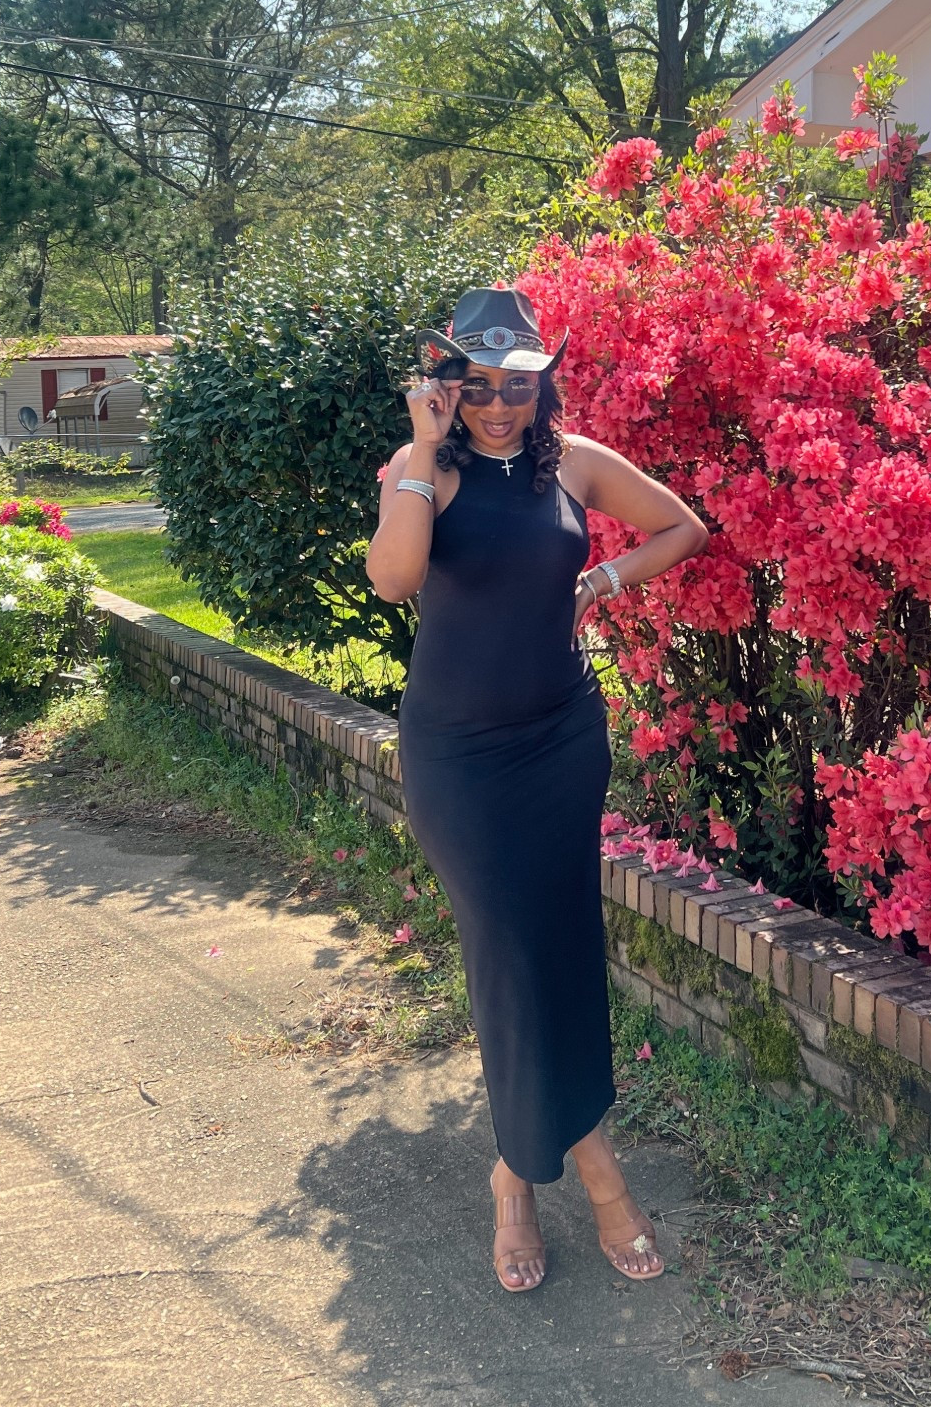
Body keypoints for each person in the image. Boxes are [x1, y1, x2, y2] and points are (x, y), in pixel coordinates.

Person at [367, 287, 708, 1293]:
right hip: (460, 757)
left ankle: (514, 1175)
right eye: (477, 385)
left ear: (542, 381)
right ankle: (593, 1174)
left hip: (560, 740)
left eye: (519, 384)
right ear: (447, 383)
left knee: (558, 952)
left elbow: (682, 527)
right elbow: (393, 579)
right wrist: (425, 448)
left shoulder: (577, 464)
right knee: (507, 955)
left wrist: (598, 585)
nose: (501, 405)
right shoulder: (424, 470)